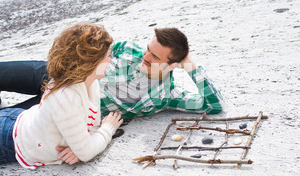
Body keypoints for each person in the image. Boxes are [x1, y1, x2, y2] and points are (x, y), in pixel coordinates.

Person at [0, 27, 223, 120]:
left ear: (173, 65)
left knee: (5, 118)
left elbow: (213, 105)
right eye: (148, 48)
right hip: (53, 73)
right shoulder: (129, 48)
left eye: (155, 57)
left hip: (68, 103)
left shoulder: (167, 96)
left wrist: (192, 66)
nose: (145, 56)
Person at [0, 22, 123, 169]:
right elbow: (87, 151)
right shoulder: (65, 96)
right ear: (92, 62)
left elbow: (91, 128)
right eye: (107, 56)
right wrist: (108, 129)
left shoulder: (90, 82)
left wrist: (78, 148)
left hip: (19, 120)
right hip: (7, 137)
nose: (110, 60)